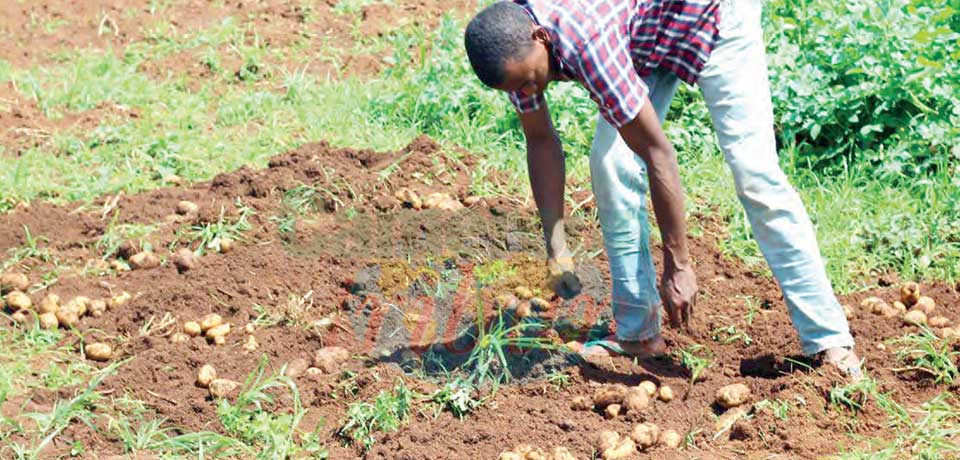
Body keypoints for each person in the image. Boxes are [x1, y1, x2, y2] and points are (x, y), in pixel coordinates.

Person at [463, 0, 861, 377]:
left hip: (713, 15)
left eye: (532, 81)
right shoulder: (512, 43)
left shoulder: (583, 39)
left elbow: (658, 153)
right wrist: (556, 249)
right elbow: (541, 141)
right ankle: (638, 335)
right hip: (644, 32)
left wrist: (679, 265)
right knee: (612, 163)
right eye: (519, 89)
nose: (530, 93)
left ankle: (829, 341)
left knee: (755, 173)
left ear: (542, 37)